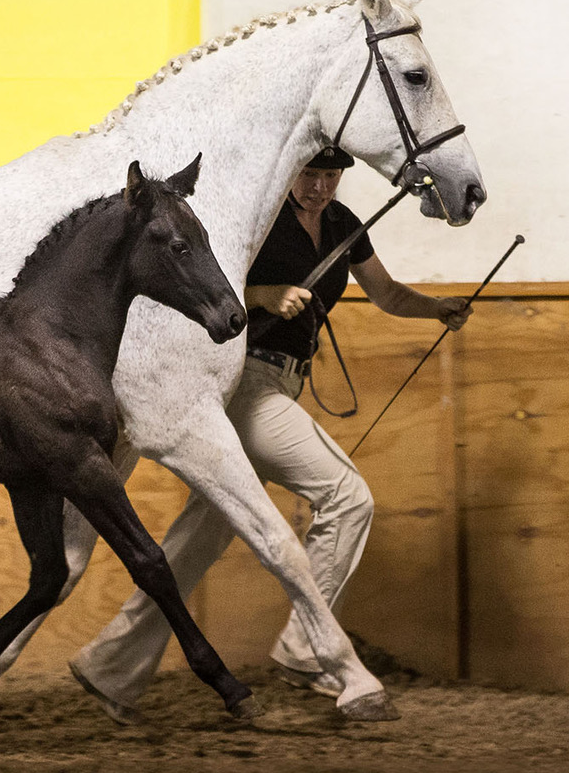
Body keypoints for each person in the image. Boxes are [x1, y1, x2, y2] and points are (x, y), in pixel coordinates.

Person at [69, 146, 473, 724]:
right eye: (311, 174)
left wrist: (436, 308)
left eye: (330, 176)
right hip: (248, 383)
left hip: (287, 382)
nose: (320, 187)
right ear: (294, 172)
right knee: (347, 496)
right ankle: (309, 649)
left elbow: (385, 293)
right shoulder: (264, 218)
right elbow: (211, 282)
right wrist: (265, 295)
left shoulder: (342, 223)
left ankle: (110, 665)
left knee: (197, 540)